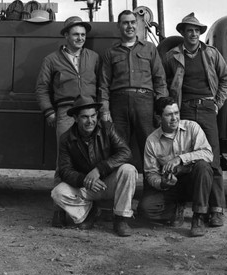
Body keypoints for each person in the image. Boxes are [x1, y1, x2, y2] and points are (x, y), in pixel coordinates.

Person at [163, 12, 227, 228]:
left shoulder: (211, 54)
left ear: (200, 33)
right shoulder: (172, 56)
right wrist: (170, 108)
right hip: (182, 110)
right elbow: (162, 83)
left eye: (196, 30)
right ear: (182, 33)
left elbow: (225, 79)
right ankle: (179, 204)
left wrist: (216, 103)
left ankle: (216, 209)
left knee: (212, 158)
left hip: (206, 108)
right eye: (189, 30)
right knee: (180, 155)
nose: (193, 34)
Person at [36, 16, 100, 226]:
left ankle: (88, 208)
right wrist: (49, 112)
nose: (80, 38)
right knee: (63, 161)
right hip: (65, 113)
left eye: (83, 34)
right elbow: (42, 88)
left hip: (89, 113)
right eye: (75, 34)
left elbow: (101, 85)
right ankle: (59, 211)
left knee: (92, 158)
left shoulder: (93, 57)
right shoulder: (52, 59)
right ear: (66, 36)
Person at [51, 95, 138, 237]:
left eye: (93, 116)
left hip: (108, 182)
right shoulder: (66, 138)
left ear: (97, 115)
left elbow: (125, 153)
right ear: (75, 118)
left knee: (128, 170)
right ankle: (88, 212)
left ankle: (121, 219)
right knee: (57, 193)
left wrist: (99, 169)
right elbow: (65, 170)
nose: (90, 121)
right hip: (85, 187)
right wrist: (85, 179)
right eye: (84, 117)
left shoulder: (107, 128)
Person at [99, 9, 168, 176]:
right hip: (118, 103)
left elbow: (160, 80)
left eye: (132, 22)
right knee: (118, 146)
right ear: (119, 26)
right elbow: (103, 83)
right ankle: (118, 190)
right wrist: (105, 109)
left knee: (149, 145)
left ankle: (152, 192)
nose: (129, 26)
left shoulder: (150, 49)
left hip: (144, 102)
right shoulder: (111, 52)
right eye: (125, 23)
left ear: (137, 25)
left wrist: (161, 109)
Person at [139, 96, 214, 237]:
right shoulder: (152, 141)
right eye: (168, 115)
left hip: (192, 182)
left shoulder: (192, 127)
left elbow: (208, 154)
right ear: (159, 117)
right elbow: (150, 173)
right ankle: (175, 209)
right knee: (145, 209)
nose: (174, 118)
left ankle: (198, 217)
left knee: (203, 167)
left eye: (176, 113)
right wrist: (162, 183)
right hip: (171, 187)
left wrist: (180, 158)